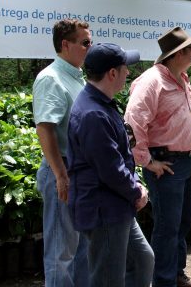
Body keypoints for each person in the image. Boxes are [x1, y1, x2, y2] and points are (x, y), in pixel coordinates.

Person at [67, 43, 154, 287]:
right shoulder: (93, 114)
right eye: (125, 67)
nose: (129, 72)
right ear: (112, 73)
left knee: (142, 260)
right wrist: (136, 191)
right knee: (108, 279)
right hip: (105, 210)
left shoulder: (101, 103)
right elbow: (110, 169)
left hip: (117, 204)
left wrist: (135, 184)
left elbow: (119, 156)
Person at [125, 27, 191, 287]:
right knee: (168, 226)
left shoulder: (182, 78)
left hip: (187, 161)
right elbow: (133, 122)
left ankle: (175, 274)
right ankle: (164, 281)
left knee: (182, 223)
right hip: (167, 163)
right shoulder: (152, 81)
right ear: (178, 54)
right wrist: (147, 161)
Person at [32, 19, 91, 287]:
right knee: (60, 253)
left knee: (80, 250)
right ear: (65, 45)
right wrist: (60, 175)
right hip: (64, 172)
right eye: (85, 43)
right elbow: (45, 128)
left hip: (77, 171)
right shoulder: (51, 78)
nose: (90, 48)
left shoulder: (76, 77)